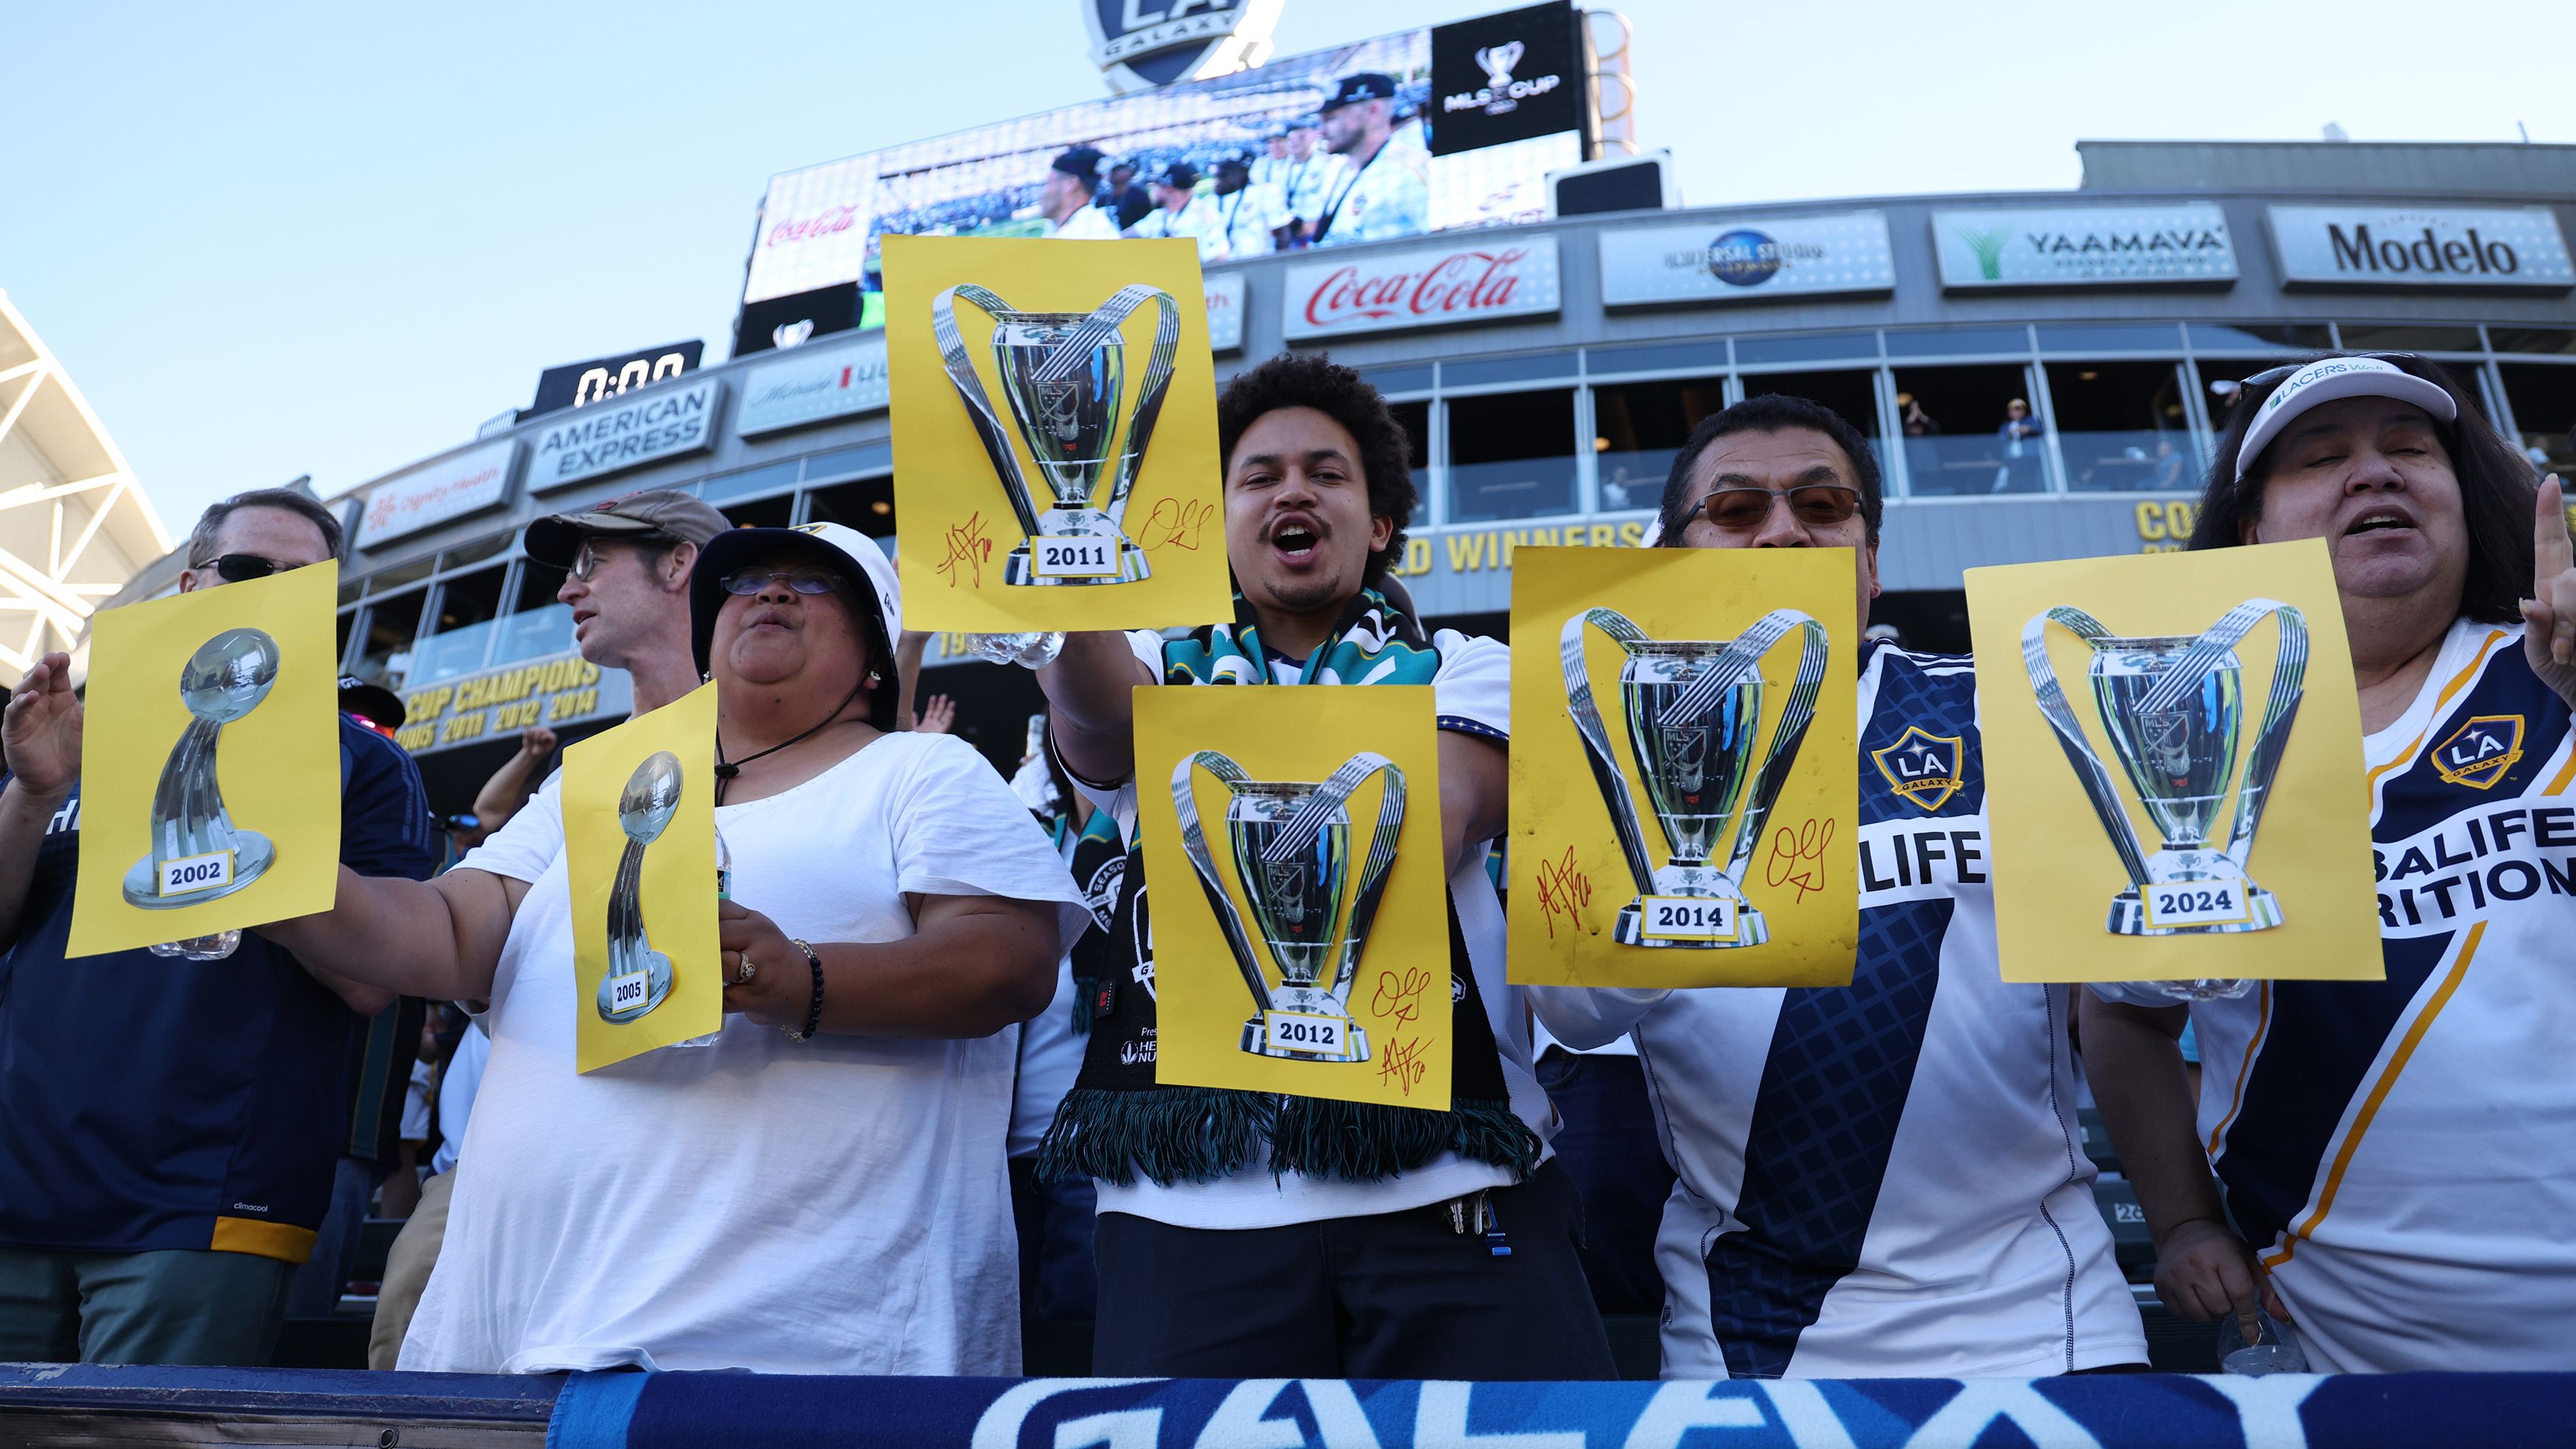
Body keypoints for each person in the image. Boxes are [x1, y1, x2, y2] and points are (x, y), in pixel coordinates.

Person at [261, 521, 1086, 1375]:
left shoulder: (919, 772)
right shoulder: (593, 781)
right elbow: (443, 931)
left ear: (876, 657)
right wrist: (265, 872)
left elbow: (1008, 958)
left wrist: (805, 978)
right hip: (506, 1338)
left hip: (783, 1354)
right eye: (750, 581)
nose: (770, 592)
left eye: (813, 584)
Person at [1531, 394, 2145, 1378]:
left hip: (2039, 1312)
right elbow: (1574, 1007)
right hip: (1747, 1332)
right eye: (1737, 513)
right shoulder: (1608, 725)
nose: (1783, 529)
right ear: (1677, 556)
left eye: (1822, 506)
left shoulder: (2011, 706)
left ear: (1869, 558)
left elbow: (2143, 979)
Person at [1030, 352, 1615, 1380]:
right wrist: (1059, 583)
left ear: (1380, 524)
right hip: (1186, 1211)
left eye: (1327, 474)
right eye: (1259, 476)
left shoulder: (1472, 666)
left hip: (1448, 1181)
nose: (1292, 490)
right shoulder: (1156, 671)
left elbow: (1439, 811)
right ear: (1217, 527)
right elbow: (1096, 709)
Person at [2084, 353, 2576, 1373]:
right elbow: (2122, 1009)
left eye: (2408, 449)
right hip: (2347, 1368)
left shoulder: (2556, 671)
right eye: (2322, 457)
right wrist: (2179, 1223)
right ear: (2251, 531)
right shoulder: (2175, 743)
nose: (2376, 473)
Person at [0, 488, 439, 1367]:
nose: (271, 587)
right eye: (246, 569)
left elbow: (371, 984)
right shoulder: (78, 734)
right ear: (193, 586)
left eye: (302, 580)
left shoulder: (367, 764)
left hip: (206, 1201)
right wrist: (35, 792)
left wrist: (252, 852)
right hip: (16, 1188)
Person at [1311, 74, 1429, 247]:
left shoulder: (1410, 172)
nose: (1321, 131)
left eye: (1331, 119)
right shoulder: (1337, 170)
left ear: (1373, 110)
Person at [1128, 161, 1221, 263]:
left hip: (1196, 276)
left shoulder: (1205, 215)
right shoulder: (1159, 215)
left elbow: (1217, 257)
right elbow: (1128, 235)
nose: (1153, 191)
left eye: (1157, 187)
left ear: (1169, 190)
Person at [1275, 118, 1343, 249]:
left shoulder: (1326, 164)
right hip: (1292, 232)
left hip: (1317, 229)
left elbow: (1331, 199)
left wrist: (1315, 224)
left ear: (1312, 137)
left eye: (1301, 138)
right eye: (1291, 140)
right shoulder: (1281, 170)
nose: (1295, 143)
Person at [1039, 146, 1120, 241]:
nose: (1043, 194)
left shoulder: (1091, 235)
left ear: (1070, 184)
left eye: (1048, 183)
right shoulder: (1057, 226)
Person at [1207, 154, 1278, 261]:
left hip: (1257, 262)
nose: (1217, 182)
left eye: (1223, 176)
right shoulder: (1208, 202)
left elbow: (1280, 233)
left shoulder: (1261, 194)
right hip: (1221, 267)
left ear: (1239, 175)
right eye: (1217, 177)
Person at [1994, 397, 2044, 492]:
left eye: (2019, 410)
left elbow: (2039, 429)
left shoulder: (2031, 421)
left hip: (2028, 457)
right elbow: (2000, 438)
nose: (2016, 413)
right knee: (2013, 479)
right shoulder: (2006, 425)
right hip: (2012, 458)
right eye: (2013, 411)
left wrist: (2028, 429)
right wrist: (2009, 433)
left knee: (2030, 478)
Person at [1098, 161, 1153, 233]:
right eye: (1112, 171)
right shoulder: (1103, 198)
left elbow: (1145, 225)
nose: (1113, 174)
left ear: (1129, 172)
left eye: (1117, 170)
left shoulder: (1139, 197)